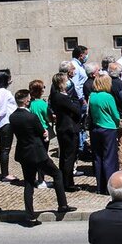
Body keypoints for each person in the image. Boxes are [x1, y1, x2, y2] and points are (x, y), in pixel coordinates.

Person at [9, 90, 74, 221]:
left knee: (28, 183)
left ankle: (29, 214)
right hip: (37, 153)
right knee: (57, 174)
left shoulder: (12, 117)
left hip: (23, 153)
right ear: (27, 101)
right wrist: (44, 134)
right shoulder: (31, 117)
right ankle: (62, 205)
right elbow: (42, 132)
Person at [88, 75, 122, 195]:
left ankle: (100, 186)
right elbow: (115, 114)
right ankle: (110, 185)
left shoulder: (92, 96)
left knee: (98, 158)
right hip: (108, 128)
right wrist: (119, 122)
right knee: (110, 158)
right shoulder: (108, 97)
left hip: (96, 128)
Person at [49, 73, 82, 192]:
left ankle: (64, 180)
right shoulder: (62, 97)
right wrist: (76, 101)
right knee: (69, 157)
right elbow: (77, 110)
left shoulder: (56, 96)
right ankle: (68, 183)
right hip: (69, 129)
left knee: (65, 156)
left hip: (63, 127)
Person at [27, 79, 52, 188]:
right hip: (43, 131)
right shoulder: (42, 104)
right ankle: (41, 180)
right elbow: (48, 117)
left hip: (32, 132)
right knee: (43, 156)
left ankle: (33, 179)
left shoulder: (30, 104)